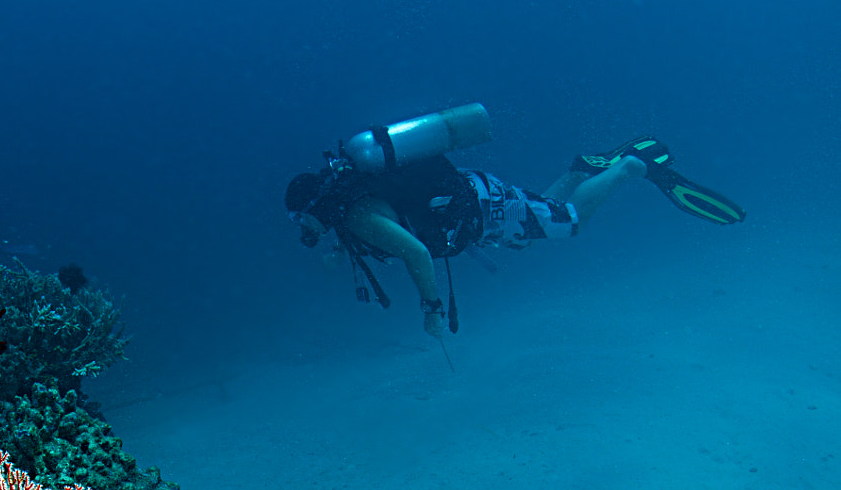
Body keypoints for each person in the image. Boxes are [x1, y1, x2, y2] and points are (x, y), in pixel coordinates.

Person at [285, 111, 745, 339]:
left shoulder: (356, 213)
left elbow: (415, 251)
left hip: (483, 208)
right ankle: (580, 170)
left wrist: (431, 309)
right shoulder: (353, 208)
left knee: (570, 222)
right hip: (476, 202)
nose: (301, 228)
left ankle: (628, 168)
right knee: (529, 234)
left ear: (312, 205)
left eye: (298, 218)